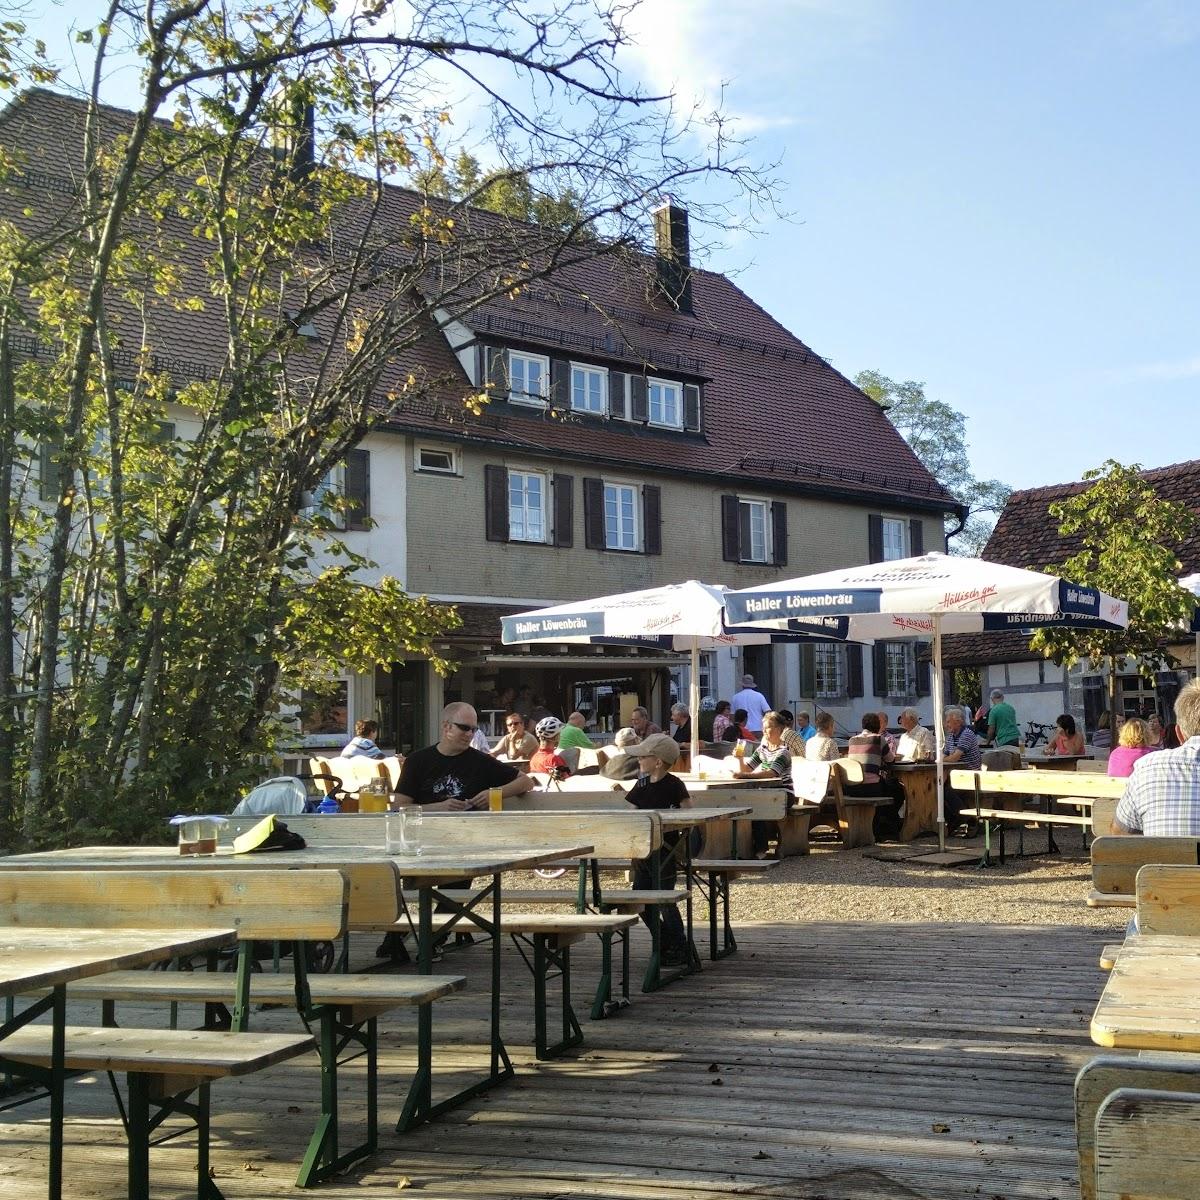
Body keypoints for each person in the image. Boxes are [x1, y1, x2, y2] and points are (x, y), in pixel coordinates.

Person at [624, 732, 692, 966]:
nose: (639, 760)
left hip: (666, 851)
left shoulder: (675, 784)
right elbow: (631, 812)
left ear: (658, 761)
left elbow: (688, 814)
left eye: (643, 756)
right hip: (644, 852)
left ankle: (680, 947)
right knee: (640, 899)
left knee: (665, 899)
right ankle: (664, 941)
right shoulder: (641, 784)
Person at [395, 703, 533, 811]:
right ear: (446, 726)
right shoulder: (417, 760)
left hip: (471, 833)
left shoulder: (481, 761)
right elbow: (398, 807)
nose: (470, 734)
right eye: (464, 728)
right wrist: (438, 808)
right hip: (425, 833)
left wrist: (493, 794)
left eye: (474, 729)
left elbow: (526, 781)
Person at [1112, 679, 1200, 835]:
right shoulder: (1147, 758)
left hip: (1163, 859)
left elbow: (1119, 834)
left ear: (1179, 734)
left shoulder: (1147, 766)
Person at [846, 712, 902, 838]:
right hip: (870, 787)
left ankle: (883, 824)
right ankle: (885, 827)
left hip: (852, 787)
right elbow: (890, 760)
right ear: (877, 726)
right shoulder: (878, 739)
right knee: (897, 790)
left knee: (888, 788)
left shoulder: (852, 740)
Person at [942, 705, 982, 833]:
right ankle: (955, 819)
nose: (946, 724)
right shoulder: (951, 736)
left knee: (946, 792)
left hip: (971, 776)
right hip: (957, 776)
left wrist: (941, 759)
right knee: (936, 791)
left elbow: (954, 758)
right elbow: (945, 754)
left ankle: (969, 820)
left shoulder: (967, 734)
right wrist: (943, 758)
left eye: (948, 721)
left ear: (958, 721)